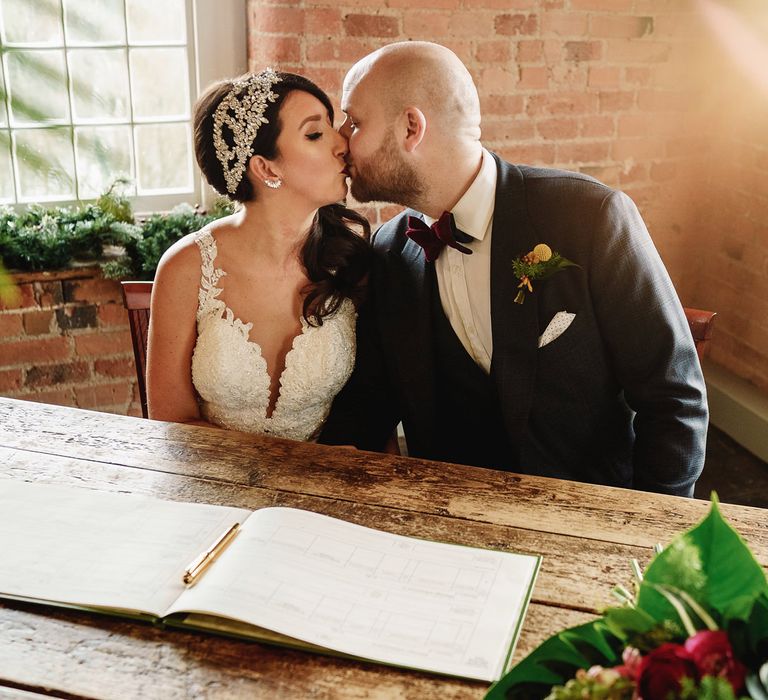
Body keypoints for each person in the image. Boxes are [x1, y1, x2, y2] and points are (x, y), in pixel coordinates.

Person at [320, 41, 708, 497]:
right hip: (452, 521)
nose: (342, 140)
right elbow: (372, 399)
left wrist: (648, 532)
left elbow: (673, 398)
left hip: (588, 514)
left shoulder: (590, 216)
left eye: (355, 121)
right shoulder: (391, 249)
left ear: (411, 127)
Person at [146, 70, 370, 441]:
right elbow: (172, 423)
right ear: (266, 168)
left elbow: (370, 415)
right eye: (315, 133)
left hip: (324, 486)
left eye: (332, 126)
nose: (342, 144)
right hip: (209, 482)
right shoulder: (186, 267)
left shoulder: (350, 262)